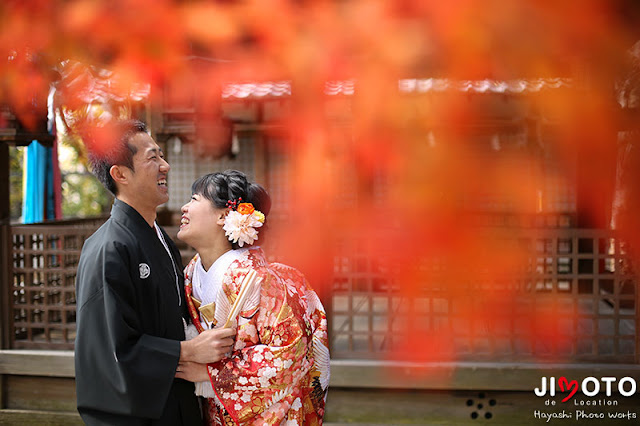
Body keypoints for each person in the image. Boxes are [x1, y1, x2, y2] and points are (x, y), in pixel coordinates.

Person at [75, 119, 236, 425]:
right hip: (138, 414)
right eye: (152, 158)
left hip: (176, 403)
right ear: (120, 173)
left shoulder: (159, 237)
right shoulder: (108, 248)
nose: (165, 166)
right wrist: (185, 350)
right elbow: (111, 349)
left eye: (162, 156)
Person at [175, 170, 330, 425]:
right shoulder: (189, 276)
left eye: (194, 199)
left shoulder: (264, 281)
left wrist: (212, 374)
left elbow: (289, 359)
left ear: (223, 216)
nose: (184, 207)